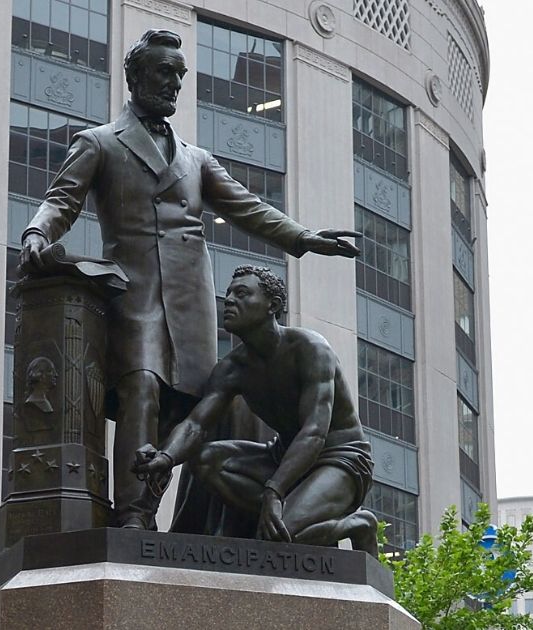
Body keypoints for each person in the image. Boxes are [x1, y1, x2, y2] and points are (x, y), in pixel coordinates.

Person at [19, 29, 360, 529]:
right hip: (135, 295)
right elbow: (61, 199)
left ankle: (199, 523)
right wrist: (35, 232)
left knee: (195, 409)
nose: (174, 83)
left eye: (180, 75)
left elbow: (248, 208)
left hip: (192, 303)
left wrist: (303, 238)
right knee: (143, 389)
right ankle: (134, 515)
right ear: (135, 76)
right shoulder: (99, 143)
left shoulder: (196, 158)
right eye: (163, 72)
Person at [132, 265, 378, 554]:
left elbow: (314, 432)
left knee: (276, 539)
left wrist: (274, 491)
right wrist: (165, 457)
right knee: (206, 459)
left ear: (272, 305)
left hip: (339, 460)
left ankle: (357, 524)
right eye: (228, 295)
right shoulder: (232, 368)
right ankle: (287, 515)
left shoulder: (310, 349)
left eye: (242, 294)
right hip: (282, 459)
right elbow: (196, 425)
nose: (229, 301)